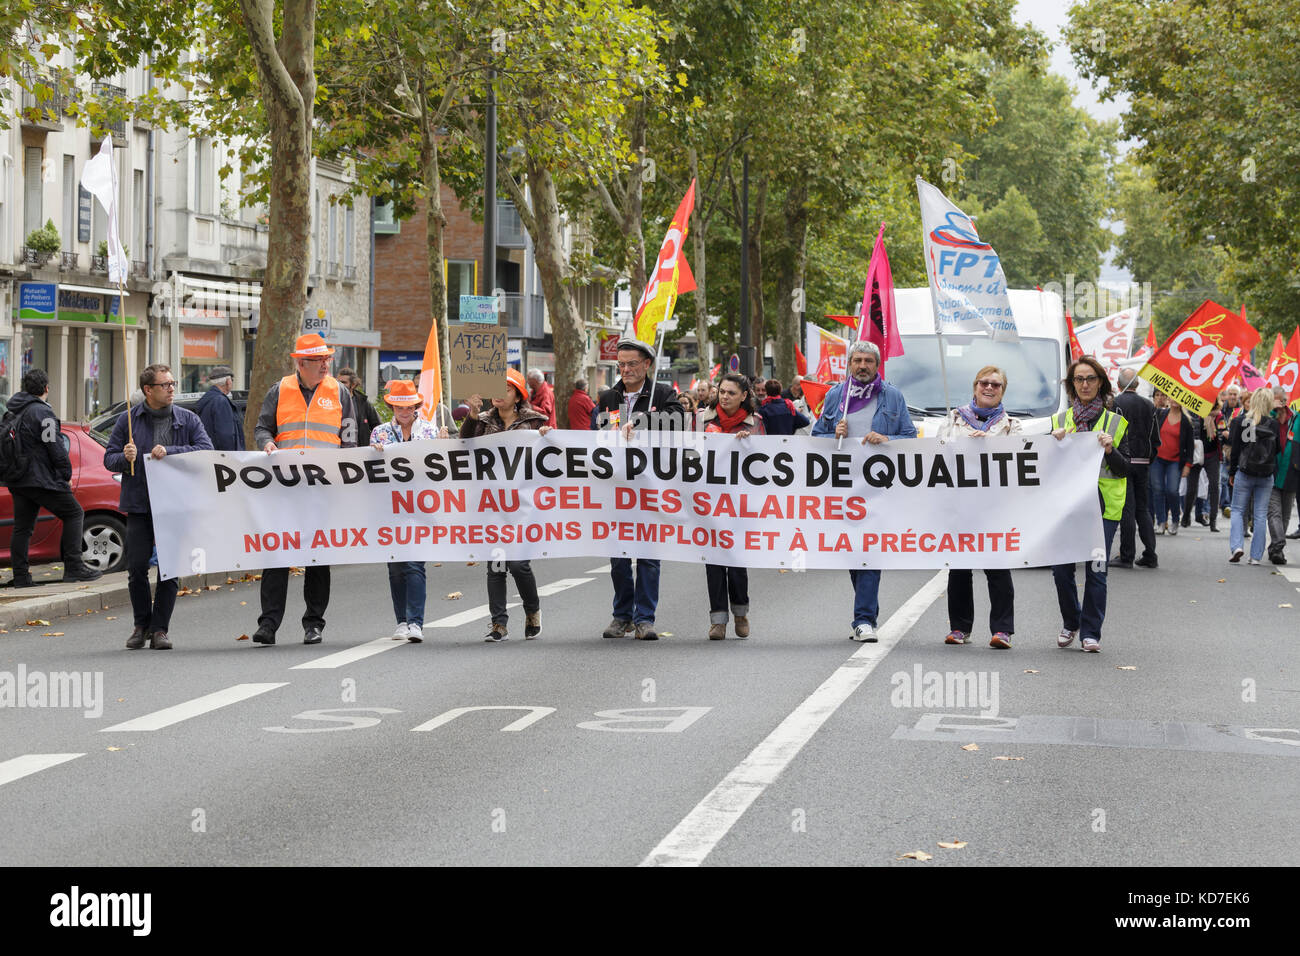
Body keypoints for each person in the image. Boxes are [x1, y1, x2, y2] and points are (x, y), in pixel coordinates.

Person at [251, 333, 359, 646]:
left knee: (317, 556)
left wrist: (346, 470)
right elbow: (262, 427)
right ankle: (268, 624)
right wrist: (267, 442)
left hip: (323, 488)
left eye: (327, 358)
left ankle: (314, 623)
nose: (326, 364)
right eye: (319, 359)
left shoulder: (339, 391)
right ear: (301, 363)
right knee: (277, 552)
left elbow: (349, 434)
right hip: (284, 487)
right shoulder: (279, 390)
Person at [811, 340, 917, 642]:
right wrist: (832, 434)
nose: (862, 366)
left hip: (878, 490)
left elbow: (910, 437)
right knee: (852, 552)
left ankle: (864, 620)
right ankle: (866, 611)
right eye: (857, 360)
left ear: (877, 364)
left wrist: (887, 438)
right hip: (843, 490)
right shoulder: (836, 396)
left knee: (869, 550)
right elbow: (815, 437)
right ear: (849, 363)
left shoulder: (892, 396)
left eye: (868, 361)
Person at [103, 364, 212, 649]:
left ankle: (160, 629)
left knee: (169, 569)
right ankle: (141, 625)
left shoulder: (188, 419)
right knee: (137, 567)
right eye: (165, 385)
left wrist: (171, 451)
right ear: (148, 390)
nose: (172, 388)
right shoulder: (127, 421)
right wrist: (124, 457)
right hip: (139, 504)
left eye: (172, 383)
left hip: (175, 505)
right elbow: (109, 459)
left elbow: (205, 449)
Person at [446, 367, 552, 641]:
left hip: (523, 505)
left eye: (505, 389)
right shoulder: (480, 420)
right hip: (491, 504)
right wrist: (470, 414)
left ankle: (532, 611)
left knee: (518, 564)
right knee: (495, 564)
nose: (498, 395)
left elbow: (550, 456)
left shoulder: (534, 421)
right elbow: (465, 443)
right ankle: (498, 624)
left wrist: (546, 435)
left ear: (518, 395)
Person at [596, 337, 685, 641]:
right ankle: (622, 616)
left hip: (650, 489)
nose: (626, 369)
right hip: (617, 489)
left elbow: (677, 421)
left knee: (648, 554)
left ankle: (644, 618)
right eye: (621, 364)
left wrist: (641, 422)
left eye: (632, 363)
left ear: (647, 364)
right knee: (618, 555)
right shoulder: (608, 397)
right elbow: (597, 434)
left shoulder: (662, 393)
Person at [936, 366, 1021, 648]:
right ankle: (959, 628)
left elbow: (1022, 458)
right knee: (959, 567)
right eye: (984, 383)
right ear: (975, 387)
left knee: (997, 568)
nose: (989, 388)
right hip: (960, 505)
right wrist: (960, 443)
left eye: (996, 385)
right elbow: (937, 451)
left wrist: (991, 444)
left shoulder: (1012, 425)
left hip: (996, 507)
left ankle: (1002, 630)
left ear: (1002, 391)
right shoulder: (954, 419)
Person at [1050, 356, 1129, 653]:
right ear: (1072, 386)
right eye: (1079, 379)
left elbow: (1125, 469)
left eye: (1091, 379)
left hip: (1103, 508)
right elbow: (1045, 468)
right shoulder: (1058, 422)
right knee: (1061, 570)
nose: (1085, 384)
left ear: (1101, 383)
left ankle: (1091, 631)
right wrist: (1053, 444)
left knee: (1097, 569)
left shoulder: (1116, 423)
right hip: (1066, 508)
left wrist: (1110, 450)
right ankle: (1072, 621)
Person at [3, 369, 103, 588]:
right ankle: (74, 566)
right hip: (40, 478)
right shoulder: (42, 413)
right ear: (47, 388)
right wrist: (65, 474)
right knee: (74, 513)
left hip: (17, 479)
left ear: (25, 387)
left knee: (22, 527)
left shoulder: (12, 411)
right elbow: (54, 446)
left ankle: (21, 576)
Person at [695, 373, 765, 639]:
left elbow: (766, 461)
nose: (724, 397)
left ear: (744, 396)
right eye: (722, 392)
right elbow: (689, 454)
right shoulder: (702, 420)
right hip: (709, 501)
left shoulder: (756, 423)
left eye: (731, 393)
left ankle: (740, 612)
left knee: (736, 562)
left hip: (739, 503)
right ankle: (718, 621)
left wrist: (750, 445)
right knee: (713, 561)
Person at [370, 380, 437, 641]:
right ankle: (401, 621)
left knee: (414, 563)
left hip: (421, 505)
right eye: (399, 406)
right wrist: (374, 454)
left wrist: (443, 445)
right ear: (391, 407)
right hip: (390, 507)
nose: (404, 411)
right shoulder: (379, 433)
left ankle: (416, 623)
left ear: (416, 405)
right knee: (396, 565)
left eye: (408, 406)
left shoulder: (431, 432)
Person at [1112, 368, 1158, 567]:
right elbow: (1155, 438)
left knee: (1127, 510)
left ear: (1119, 385)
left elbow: (1112, 434)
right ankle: (1150, 554)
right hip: (1144, 462)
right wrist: (1149, 458)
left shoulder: (1116, 404)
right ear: (1137, 384)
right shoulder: (1149, 405)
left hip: (1124, 460)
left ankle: (1127, 555)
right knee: (1142, 509)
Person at [1228, 388, 1279, 565]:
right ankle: (1256, 556)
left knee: (1237, 510)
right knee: (1260, 515)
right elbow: (1278, 449)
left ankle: (1237, 546)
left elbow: (1234, 450)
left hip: (1245, 471)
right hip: (1265, 474)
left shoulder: (1241, 421)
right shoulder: (1273, 424)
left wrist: (1232, 472)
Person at [1264, 386, 1296, 564]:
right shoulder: (1267, 419)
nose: (1276, 404)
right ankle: (1279, 543)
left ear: (1285, 401)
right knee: (1274, 512)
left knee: (1285, 515)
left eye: (1279, 400)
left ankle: (1275, 549)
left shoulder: (1296, 419)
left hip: (1292, 473)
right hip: (1271, 472)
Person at [1151, 398, 1192, 534]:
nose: (1175, 400)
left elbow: (1190, 446)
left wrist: (1188, 465)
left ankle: (1175, 520)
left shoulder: (1186, 421)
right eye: (1173, 396)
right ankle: (1161, 522)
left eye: (1179, 398)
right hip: (1158, 459)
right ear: (1169, 397)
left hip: (1175, 461)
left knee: (1172, 491)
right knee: (1158, 490)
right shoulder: (1161, 414)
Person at [193, 365, 244, 452]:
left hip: (210, 455)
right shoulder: (221, 401)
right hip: (223, 459)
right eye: (232, 380)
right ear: (228, 382)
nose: (232, 383)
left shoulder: (208, 399)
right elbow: (226, 435)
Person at [339, 368, 381, 447]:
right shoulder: (333, 402)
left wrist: (376, 442)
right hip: (339, 451)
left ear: (353, 384)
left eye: (344, 382)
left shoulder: (363, 403)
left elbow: (378, 426)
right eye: (338, 382)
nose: (340, 385)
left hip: (361, 452)